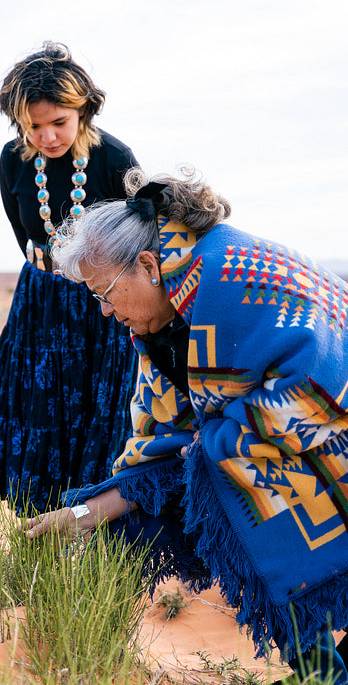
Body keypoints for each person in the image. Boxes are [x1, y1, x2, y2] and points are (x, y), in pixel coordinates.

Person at [23, 166, 348, 683]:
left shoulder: (231, 276)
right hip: (276, 445)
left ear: (148, 265)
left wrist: (211, 445)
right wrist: (84, 512)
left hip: (332, 435)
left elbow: (318, 385)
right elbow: (159, 445)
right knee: (166, 497)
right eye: (94, 298)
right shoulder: (159, 327)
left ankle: (322, 670)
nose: (105, 311)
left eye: (104, 292)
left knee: (225, 470)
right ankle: (317, 668)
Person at [0, 42, 139, 512]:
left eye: (58, 122)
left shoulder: (114, 158)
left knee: (99, 414)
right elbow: (24, 235)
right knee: (39, 410)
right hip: (39, 304)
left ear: (84, 110)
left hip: (104, 307)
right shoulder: (12, 160)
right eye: (33, 126)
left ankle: (99, 530)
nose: (47, 137)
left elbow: (146, 238)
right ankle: (42, 530)